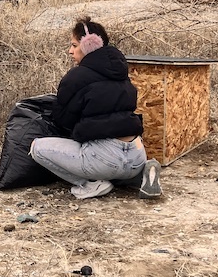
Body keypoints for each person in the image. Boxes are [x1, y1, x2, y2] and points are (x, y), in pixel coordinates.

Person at [29, 16, 162, 200]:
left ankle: (92, 184)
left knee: (37, 148)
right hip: (136, 155)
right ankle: (141, 175)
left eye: (74, 45)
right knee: (118, 164)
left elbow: (62, 121)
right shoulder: (122, 74)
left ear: (88, 46)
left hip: (104, 158)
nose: (70, 51)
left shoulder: (75, 77)